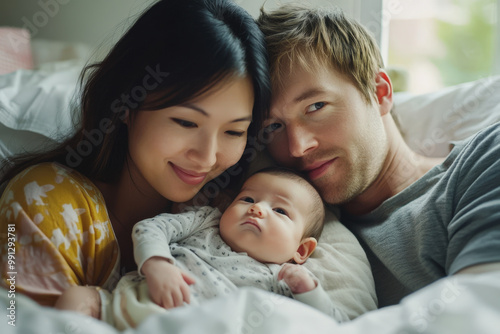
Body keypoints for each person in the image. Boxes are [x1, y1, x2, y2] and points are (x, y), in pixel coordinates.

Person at [0, 0, 271, 307]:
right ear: (126, 105)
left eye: (234, 131)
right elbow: (15, 322)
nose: (208, 157)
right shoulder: (43, 202)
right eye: (185, 122)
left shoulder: (234, 216)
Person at [257, 4, 500, 308]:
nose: (297, 147)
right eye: (274, 126)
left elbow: (480, 312)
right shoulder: (275, 218)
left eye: (316, 106)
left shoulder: (482, 163)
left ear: (380, 92)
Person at [54, 167, 348, 329]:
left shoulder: (279, 279)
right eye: (247, 199)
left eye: (280, 211)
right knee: (76, 298)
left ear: (301, 251)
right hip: (118, 311)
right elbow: (151, 228)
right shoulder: (206, 220)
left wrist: (309, 291)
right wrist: (157, 264)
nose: (258, 209)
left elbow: (331, 326)